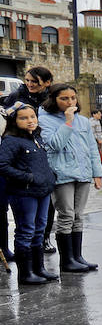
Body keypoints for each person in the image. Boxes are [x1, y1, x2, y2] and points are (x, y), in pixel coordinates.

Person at [38, 83, 102, 273]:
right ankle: (66, 261)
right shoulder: (45, 120)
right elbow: (55, 144)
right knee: (66, 215)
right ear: (54, 99)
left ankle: (77, 256)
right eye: (64, 98)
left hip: (83, 173)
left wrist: (97, 173)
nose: (70, 102)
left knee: (78, 216)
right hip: (62, 174)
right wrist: (67, 122)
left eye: (73, 98)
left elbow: (92, 148)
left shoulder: (83, 121)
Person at [0, 105, 58, 285]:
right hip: (24, 193)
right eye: (24, 118)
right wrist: (28, 177)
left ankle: (39, 269)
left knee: (40, 229)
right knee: (26, 230)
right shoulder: (11, 140)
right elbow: (3, 165)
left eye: (32, 116)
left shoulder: (36, 137)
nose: (30, 121)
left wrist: (50, 177)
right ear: (14, 121)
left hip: (43, 190)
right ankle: (25, 274)